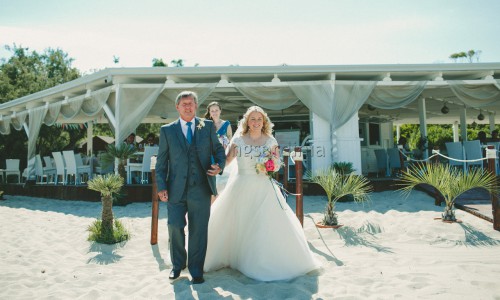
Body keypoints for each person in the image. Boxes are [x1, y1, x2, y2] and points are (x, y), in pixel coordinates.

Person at [204, 106, 320, 281]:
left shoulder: (270, 140)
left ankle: (258, 261)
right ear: (247, 122)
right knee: (237, 222)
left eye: (259, 119)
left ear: (264, 122)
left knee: (263, 224)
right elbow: (227, 161)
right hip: (241, 184)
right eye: (253, 119)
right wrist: (216, 167)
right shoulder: (239, 140)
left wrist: (271, 165)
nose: (256, 122)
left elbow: (277, 162)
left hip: (263, 186)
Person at [155, 91, 226, 285]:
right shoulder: (167, 131)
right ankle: (177, 266)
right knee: (175, 226)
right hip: (175, 189)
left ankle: (196, 270)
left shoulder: (208, 127)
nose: (188, 106)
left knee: (199, 230)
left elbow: (219, 151)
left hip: (201, 189)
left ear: (196, 107)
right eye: (184, 104)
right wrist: (161, 186)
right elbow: (161, 163)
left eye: (191, 103)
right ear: (177, 107)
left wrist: (219, 165)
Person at [204, 102, 233, 202]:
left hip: (223, 155)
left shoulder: (226, 124)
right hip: (209, 156)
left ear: (220, 111)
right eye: (212, 111)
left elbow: (231, 140)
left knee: (222, 183)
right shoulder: (206, 124)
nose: (214, 112)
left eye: (216, 110)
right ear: (209, 112)